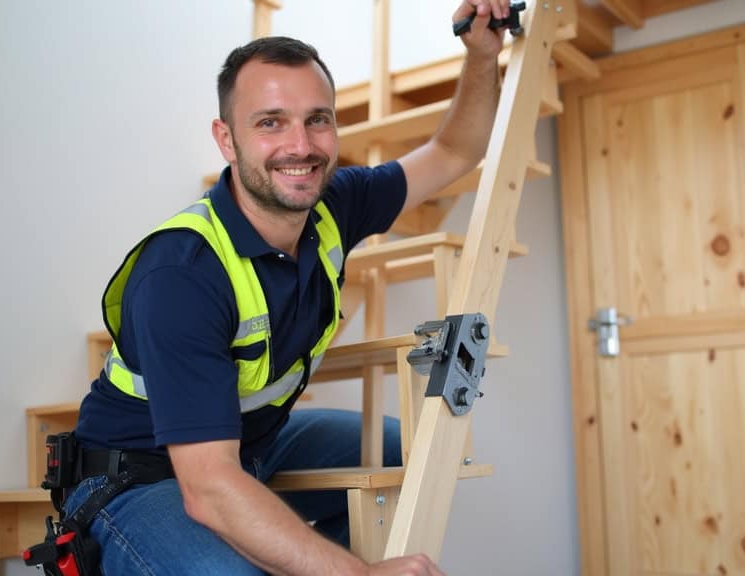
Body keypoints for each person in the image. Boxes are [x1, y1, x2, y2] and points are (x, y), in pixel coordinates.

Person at [65, 1, 509, 574]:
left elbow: (454, 152)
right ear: (227, 140)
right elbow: (209, 487)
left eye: (317, 119)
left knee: (416, 454)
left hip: (249, 444)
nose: (301, 145)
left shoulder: (335, 204)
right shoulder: (182, 273)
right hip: (136, 474)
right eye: (270, 122)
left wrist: (481, 55)